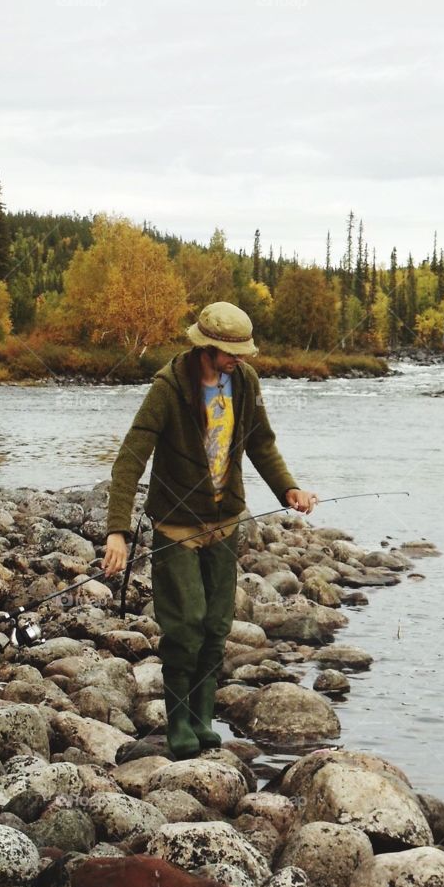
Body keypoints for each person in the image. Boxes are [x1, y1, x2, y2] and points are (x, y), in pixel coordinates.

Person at [101, 301, 317, 757]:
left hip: (226, 523)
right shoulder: (167, 387)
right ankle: (178, 719)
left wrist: (289, 489)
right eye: (231, 352)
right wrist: (117, 530)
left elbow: (262, 442)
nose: (239, 359)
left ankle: (203, 717)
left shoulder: (245, 382)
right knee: (184, 627)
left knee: (217, 626)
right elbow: (130, 457)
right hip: (176, 528)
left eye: (243, 352)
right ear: (207, 348)